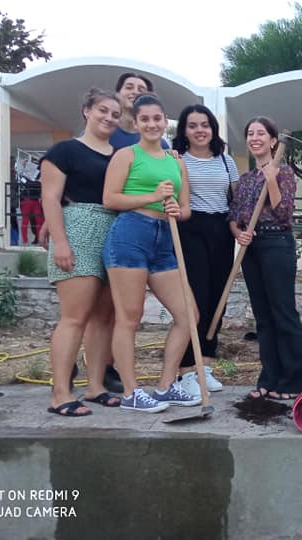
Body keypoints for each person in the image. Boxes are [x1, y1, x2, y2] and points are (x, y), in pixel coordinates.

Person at [102, 93, 198, 413]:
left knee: (188, 315)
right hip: (130, 235)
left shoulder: (176, 161)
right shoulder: (126, 155)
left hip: (164, 239)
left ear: (165, 120)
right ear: (135, 122)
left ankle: (165, 386)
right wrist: (152, 196)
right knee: (130, 317)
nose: (152, 124)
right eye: (145, 119)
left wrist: (176, 210)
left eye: (157, 118)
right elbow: (110, 199)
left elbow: (186, 208)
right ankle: (131, 392)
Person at [39, 88, 123, 417]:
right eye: (103, 110)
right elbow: (50, 198)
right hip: (78, 230)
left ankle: (95, 386)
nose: (109, 118)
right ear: (87, 110)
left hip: (113, 232)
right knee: (74, 317)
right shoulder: (64, 151)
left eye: (115, 114)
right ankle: (60, 393)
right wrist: (60, 241)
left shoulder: (120, 155)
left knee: (104, 317)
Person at [231, 116, 302, 400]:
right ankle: (270, 378)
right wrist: (238, 234)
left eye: (261, 134)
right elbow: (235, 217)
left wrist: (271, 180)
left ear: (273, 141)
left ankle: (297, 380)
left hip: (277, 244)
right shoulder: (244, 180)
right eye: (250, 134)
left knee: (283, 313)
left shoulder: (284, 173)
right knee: (263, 317)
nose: (255, 138)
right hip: (251, 248)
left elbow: (283, 213)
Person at [170, 104, 239, 398]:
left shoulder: (226, 160)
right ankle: (187, 370)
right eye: (193, 125)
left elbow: (236, 199)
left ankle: (205, 366)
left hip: (221, 230)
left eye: (205, 125)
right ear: (184, 131)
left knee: (216, 299)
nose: (200, 130)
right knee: (195, 300)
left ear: (213, 128)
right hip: (191, 229)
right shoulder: (177, 159)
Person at [110, 72, 170, 151]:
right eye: (129, 87)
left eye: (141, 90)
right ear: (117, 94)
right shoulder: (104, 132)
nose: (135, 92)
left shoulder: (160, 145)